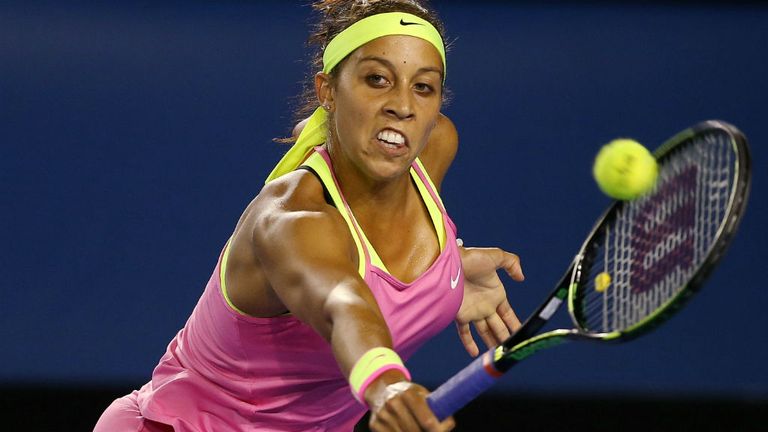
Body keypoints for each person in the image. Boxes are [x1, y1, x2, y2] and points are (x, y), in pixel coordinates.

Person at [95, 1, 524, 431]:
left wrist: (447, 265)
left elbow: (376, 264)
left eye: (424, 87)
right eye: (377, 80)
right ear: (328, 91)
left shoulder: (434, 146)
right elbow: (344, 304)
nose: (403, 106)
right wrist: (386, 385)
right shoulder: (290, 219)